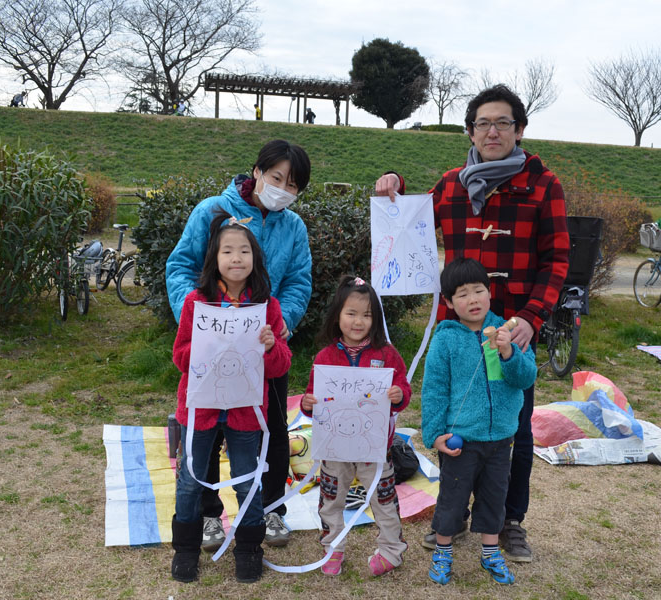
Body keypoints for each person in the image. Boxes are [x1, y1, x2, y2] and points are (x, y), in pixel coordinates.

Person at [374, 84, 570, 562]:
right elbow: (413, 219)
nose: (492, 131)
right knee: (454, 420)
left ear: (520, 130)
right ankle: (452, 513)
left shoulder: (543, 185)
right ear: (470, 131)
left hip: (511, 331)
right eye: (483, 123)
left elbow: (558, 259)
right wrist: (393, 183)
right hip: (457, 333)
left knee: (513, 429)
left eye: (503, 123)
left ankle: (508, 520)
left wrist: (530, 318)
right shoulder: (452, 184)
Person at [166, 139, 312, 551]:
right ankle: (211, 514)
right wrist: (195, 321)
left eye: (293, 185)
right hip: (210, 347)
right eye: (277, 177)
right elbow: (180, 266)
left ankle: (270, 508)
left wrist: (284, 324)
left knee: (272, 428)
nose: (283, 188)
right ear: (257, 172)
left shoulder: (293, 227)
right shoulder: (212, 210)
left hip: (262, 348)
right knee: (207, 429)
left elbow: (299, 281)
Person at [170, 210, 292, 583]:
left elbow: (280, 366)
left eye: (244, 251)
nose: (236, 258)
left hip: (245, 412)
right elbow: (180, 357)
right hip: (201, 407)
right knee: (190, 479)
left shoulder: (267, 307)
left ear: (255, 259)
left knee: (247, 478)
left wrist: (271, 346)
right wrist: (209, 346)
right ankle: (186, 549)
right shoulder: (196, 303)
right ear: (214, 258)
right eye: (227, 251)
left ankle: (250, 548)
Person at [422, 258, 537, 585]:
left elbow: (525, 379)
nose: (472, 300)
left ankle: (490, 552)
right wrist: (435, 434)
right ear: (448, 302)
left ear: (490, 293)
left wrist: (508, 354)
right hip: (461, 440)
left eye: (478, 291)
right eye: (462, 294)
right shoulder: (445, 339)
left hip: (501, 438)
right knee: (452, 500)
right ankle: (443, 551)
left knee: (493, 497)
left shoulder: (508, 330)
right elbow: (434, 389)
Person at [300, 275, 411, 577]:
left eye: (367, 315)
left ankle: (391, 551)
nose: (358, 321)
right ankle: (332, 549)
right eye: (351, 313)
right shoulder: (325, 357)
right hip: (334, 449)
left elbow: (403, 389)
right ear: (338, 316)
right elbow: (313, 397)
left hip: (375, 448)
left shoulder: (386, 354)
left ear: (375, 319)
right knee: (330, 500)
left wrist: (399, 395)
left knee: (384, 500)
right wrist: (307, 405)